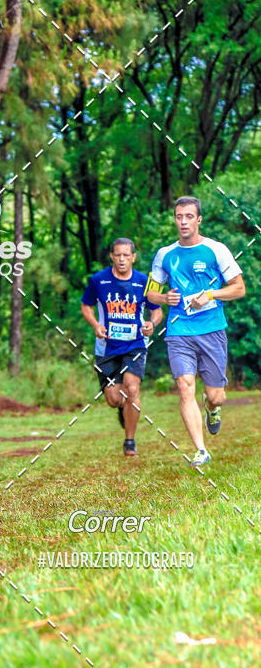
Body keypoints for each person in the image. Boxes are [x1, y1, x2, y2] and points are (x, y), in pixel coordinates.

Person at [145, 196, 245, 467]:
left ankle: (212, 408)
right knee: (184, 386)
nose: (183, 222)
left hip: (212, 329)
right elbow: (151, 294)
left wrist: (211, 294)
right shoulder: (165, 254)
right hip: (179, 330)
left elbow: (239, 288)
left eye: (189, 216)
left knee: (216, 396)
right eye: (179, 217)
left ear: (198, 219)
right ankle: (201, 450)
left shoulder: (216, 250)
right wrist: (164, 298)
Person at [81, 238, 162, 456]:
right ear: (112, 256)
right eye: (118, 255)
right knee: (114, 399)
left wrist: (152, 324)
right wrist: (96, 325)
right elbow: (86, 306)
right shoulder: (99, 280)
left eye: (126, 255)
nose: (122, 259)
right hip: (106, 347)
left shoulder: (144, 282)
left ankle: (130, 441)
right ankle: (123, 408)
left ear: (133, 257)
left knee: (132, 389)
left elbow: (157, 311)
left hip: (135, 344)